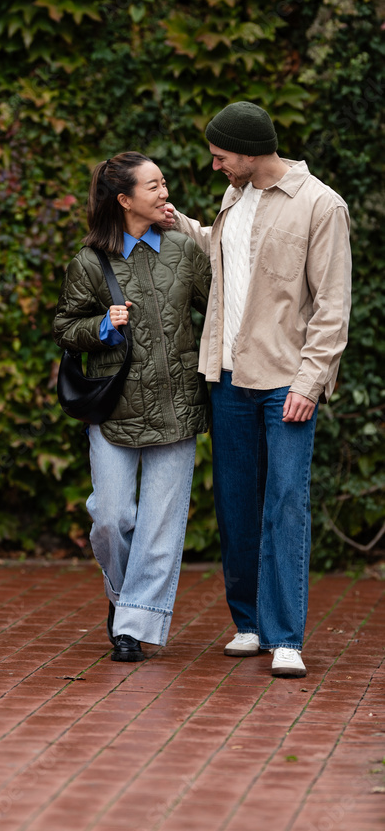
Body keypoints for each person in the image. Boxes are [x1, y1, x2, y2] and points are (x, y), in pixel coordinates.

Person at [165, 101, 351, 678]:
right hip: (227, 379)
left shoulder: (321, 204)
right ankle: (248, 623)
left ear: (249, 152)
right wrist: (181, 224)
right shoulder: (234, 197)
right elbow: (227, 258)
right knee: (236, 505)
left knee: (287, 502)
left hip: (286, 382)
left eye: (221, 155)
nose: (215, 165)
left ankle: (285, 637)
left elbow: (333, 306)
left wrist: (310, 383)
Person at [53, 152, 211, 662]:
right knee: (111, 516)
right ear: (124, 200)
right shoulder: (89, 262)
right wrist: (102, 326)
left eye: (164, 183)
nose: (165, 193)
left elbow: (219, 310)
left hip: (176, 406)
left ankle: (131, 627)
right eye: (154, 186)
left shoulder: (183, 250)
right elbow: (65, 328)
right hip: (113, 408)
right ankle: (126, 602)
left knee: (160, 527)